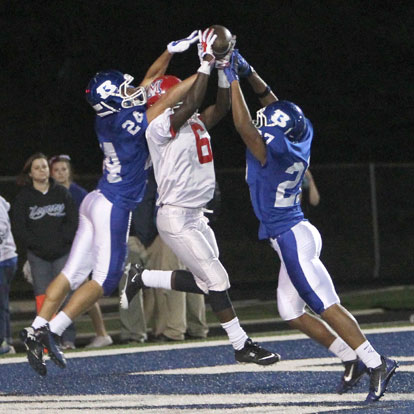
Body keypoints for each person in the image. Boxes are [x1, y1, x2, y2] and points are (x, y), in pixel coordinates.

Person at [19, 30, 201, 376]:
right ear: (113, 100)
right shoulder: (127, 124)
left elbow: (148, 82)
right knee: (104, 278)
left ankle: (35, 328)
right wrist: (206, 67)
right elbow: (170, 95)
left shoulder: (109, 116)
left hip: (96, 199)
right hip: (113, 205)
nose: (129, 91)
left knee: (73, 273)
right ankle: (51, 330)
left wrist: (168, 51)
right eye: (122, 90)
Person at [222, 49, 398, 402]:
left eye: (269, 125)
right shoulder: (300, 134)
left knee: (325, 304)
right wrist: (251, 71)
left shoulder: (271, 153)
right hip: (293, 231)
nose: (263, 124)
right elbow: (275, 106)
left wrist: (232, 77)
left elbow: (243, 125)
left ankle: (377, 361)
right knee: (290, 311)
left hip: (292, 238)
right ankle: (350, 358)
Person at [121, 27, 279, 365]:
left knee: (210, 282)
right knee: (216, 279)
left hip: (196, 214)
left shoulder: (191, 119)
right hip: (176, 216)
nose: (187, 92)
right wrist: (206, 63)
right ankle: (241, 345)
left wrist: (223, 69)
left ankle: (142, 277)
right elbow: (191, 100)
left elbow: (220, 107)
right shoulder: (159, 126)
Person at [12, 153, 78, 350]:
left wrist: (63, 242)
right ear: (30, 173)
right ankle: (46, 340)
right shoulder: (24, 197)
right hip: (38, 256)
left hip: (62, 253)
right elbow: (20, 227)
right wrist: (35, 246)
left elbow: (72, 221)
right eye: (38, 168)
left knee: (65, 297)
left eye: (44, 167)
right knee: (43, 297)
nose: (42, 170)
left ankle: (68, 339)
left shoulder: (61, 193)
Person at [49, 154, 113, 348]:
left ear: (70, 172)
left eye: (64, 169)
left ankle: (101, 333)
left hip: (81, 248)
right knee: (67, 291)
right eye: (57, 170)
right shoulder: (51, 193)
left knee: (84, 290)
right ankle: (63, 335)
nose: (60, 173)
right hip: (61, 249)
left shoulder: (79, 193)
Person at [0, 195, 18, 355]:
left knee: (1, 302)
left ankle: (4, 341)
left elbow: (1, 230)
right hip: (5, 258)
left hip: (4, 259)